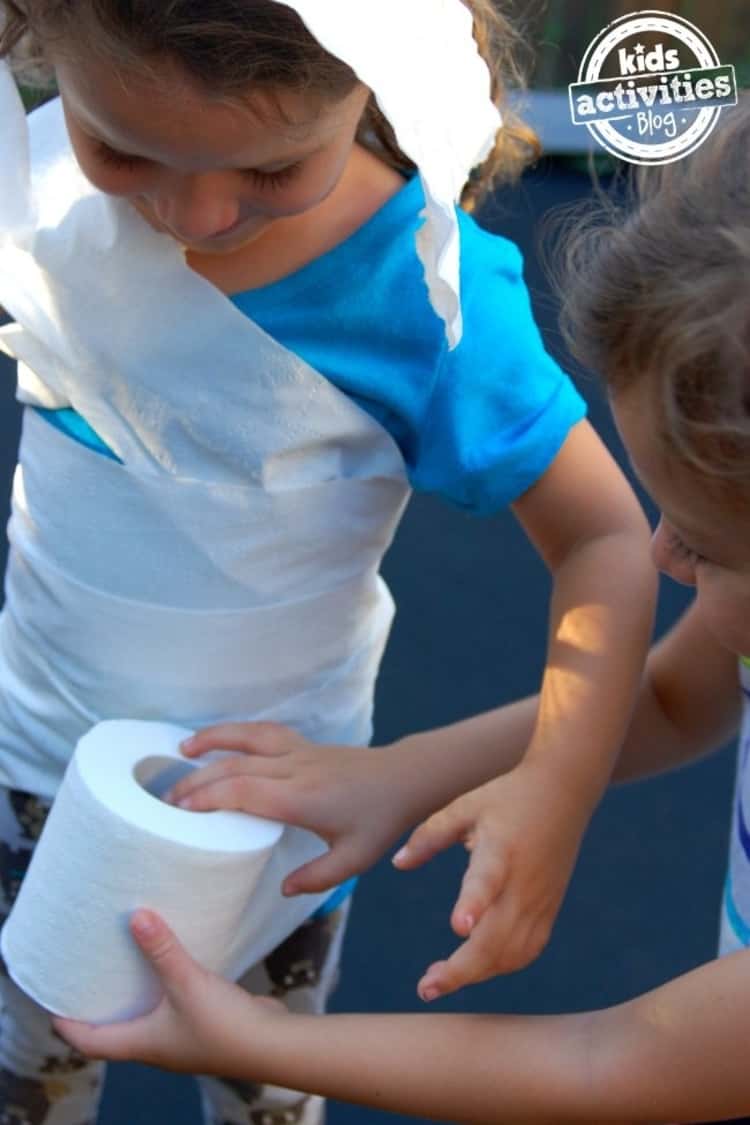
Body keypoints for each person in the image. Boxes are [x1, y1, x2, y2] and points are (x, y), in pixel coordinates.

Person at [0, 1, 655, 1123]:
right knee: (33, 1057)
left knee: (267, 1083)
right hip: (32, 762)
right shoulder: (41, 186)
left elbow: (605, 538)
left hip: (283, 807)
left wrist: (558, 781)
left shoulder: (426, 299)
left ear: (378, 83)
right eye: (127, 148)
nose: (198, 214)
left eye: (273, 166)